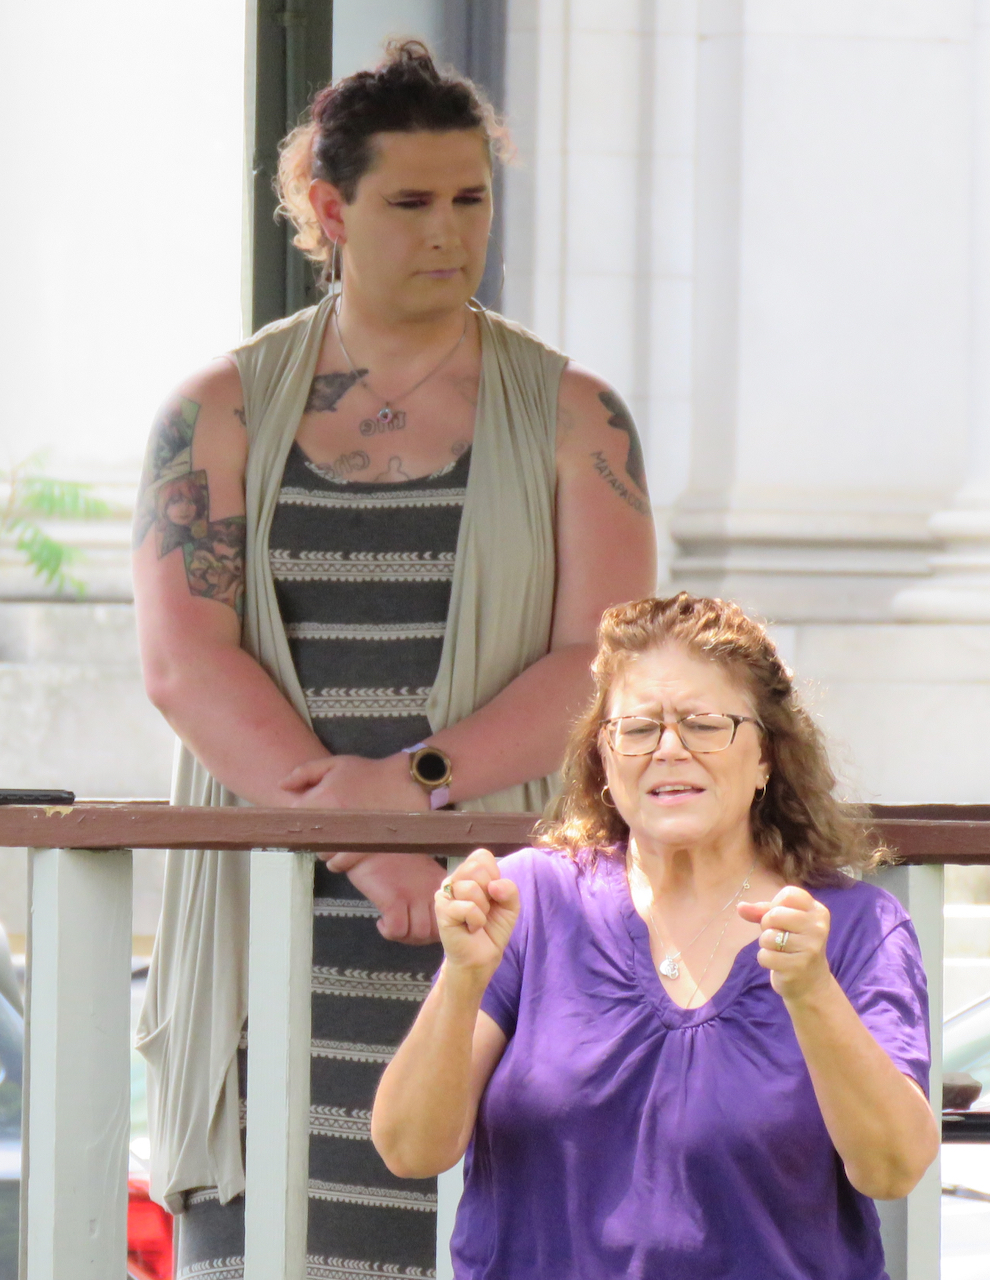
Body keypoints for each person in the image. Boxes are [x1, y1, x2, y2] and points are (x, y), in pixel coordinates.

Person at [132, 40, 655, 1277]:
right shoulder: (218, 409)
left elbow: (604, 656)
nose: (448, 231)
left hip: (503, 909)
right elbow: (185, 659)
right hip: (272, 923)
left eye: (470, 197)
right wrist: (364, 841)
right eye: (410, 201)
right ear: (329, 210)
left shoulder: (573, 413)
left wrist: (414, 787)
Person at [373, 593, 940, 1280]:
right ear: (604, 759)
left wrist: (812, 993)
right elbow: (409, 1150)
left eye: (704, 725)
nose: (670, 749)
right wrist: (463, 980)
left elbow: (892, 1170)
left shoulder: (857, 928)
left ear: (767, 755)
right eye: (639, 729)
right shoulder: (527, 900)